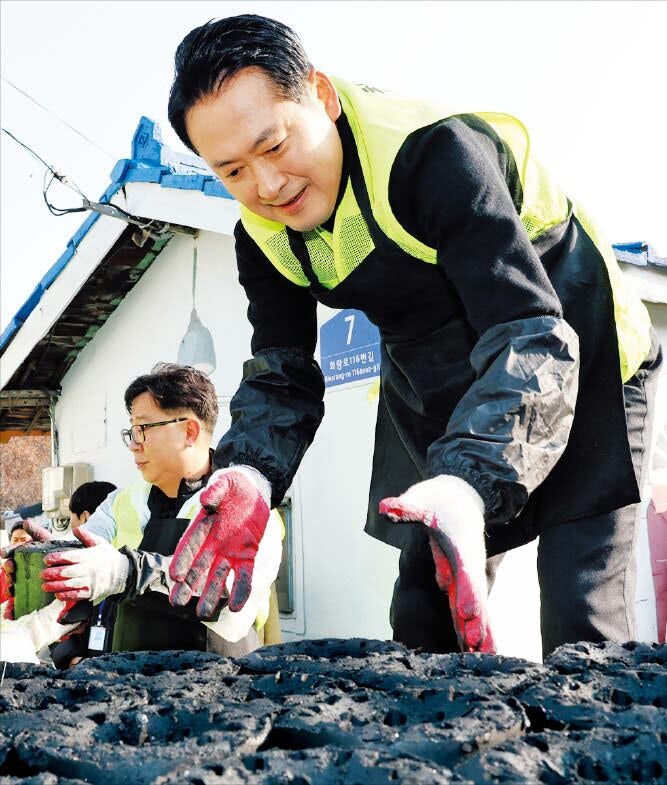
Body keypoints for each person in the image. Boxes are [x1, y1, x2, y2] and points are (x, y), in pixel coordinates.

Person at [161, 14, 662, 658]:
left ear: (322, 95)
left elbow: (530, 331)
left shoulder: (436, 154)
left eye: (277, 145)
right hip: (439, 373)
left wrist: (467, 483)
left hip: (573, 339)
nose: (267, 185)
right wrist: (250, 477)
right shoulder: (259, 233)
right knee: (425, 612)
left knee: (578, 608)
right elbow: (282, 370)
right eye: (231, 170)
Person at [33, 364, 283, 656]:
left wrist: (130, 573)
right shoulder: (120, 502)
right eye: (131, 431)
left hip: (218, 683)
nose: (134, 445)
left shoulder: (246, 508)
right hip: (129, 680)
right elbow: (84, 552)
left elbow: (232, 609)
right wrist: (47, 557)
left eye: (143, 429)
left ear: (189, 430)